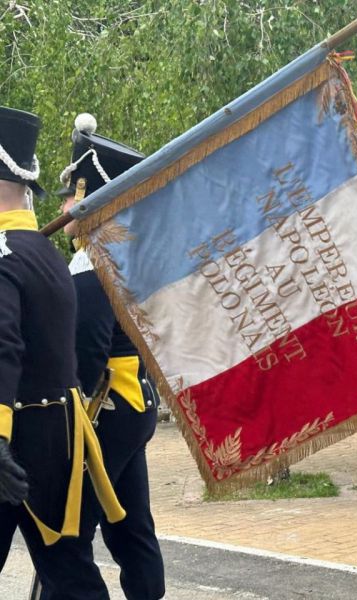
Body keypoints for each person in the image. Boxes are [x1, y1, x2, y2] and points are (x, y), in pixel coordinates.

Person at [0, 106, 124, 598]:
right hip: (57, 438)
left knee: (69, 575)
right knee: (70, 574)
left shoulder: (7, 252)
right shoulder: (46, 255)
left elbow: (3, 348)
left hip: (15, 436)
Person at [42, 113, 166, 600]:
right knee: (131, 528)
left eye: (74, 196)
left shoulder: (91, 263)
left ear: (96, 201)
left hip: (105, 410)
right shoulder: (123, 258)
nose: (67, 208)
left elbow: (85, 358)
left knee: (69, 531)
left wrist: (57, 427)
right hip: (132, 407)